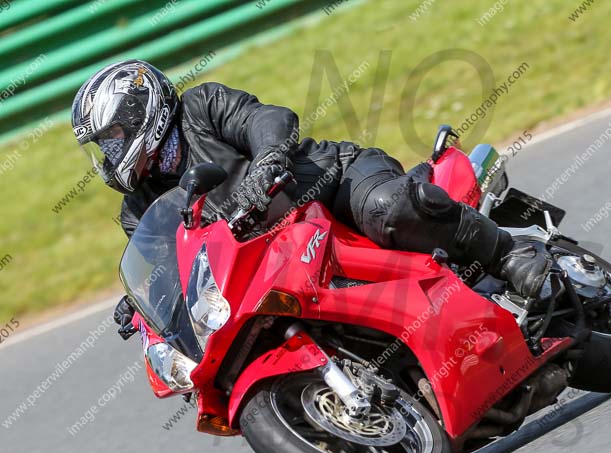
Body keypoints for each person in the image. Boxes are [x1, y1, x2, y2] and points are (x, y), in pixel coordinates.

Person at [71, 60, 547, 329]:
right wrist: (143, 302)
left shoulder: (201, 106)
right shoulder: (138, 208)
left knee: (389, 209)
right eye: (103, 147)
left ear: (142, 114)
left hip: (328, 182)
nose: (111, 155)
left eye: (112, 137)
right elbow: (161, 262)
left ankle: (509, 255)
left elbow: (267, 120)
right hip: (273, 262)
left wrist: (268, 161)